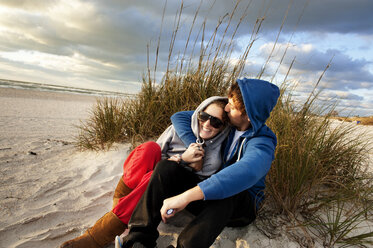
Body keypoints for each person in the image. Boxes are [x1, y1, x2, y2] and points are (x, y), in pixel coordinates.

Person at [121, 78, 280, 248]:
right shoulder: (228, 123)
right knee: (167, 167)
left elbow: (247, 171)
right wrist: (195, 148)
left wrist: (185, 197)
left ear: (249, 115)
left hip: (239, 207)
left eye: (232, 107)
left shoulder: (263, 142)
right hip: (210, 195)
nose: (226, 108)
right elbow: (181, 117)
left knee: (232, 191)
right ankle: (138, 239)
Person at [59, 96, 230, 248]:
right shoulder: (177, 128)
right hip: (153, 175)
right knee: (150, 148)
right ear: (198, 114)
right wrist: (183, 158)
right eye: (204, 117)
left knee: (153, 176)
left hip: (168, 188)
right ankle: (123, 201)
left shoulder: (216, 152)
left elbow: (190, 178)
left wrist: (183, 163)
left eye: (216, 122)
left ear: (223, 127)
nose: (207, 124)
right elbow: (158, 154)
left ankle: (99, 235)